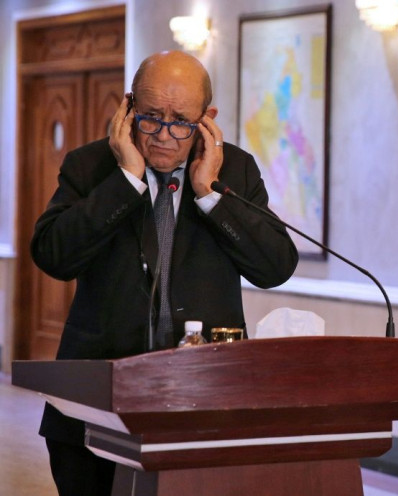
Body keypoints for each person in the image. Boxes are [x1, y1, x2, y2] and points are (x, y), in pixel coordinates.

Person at [30, 50, 299, 496]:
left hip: (204, 407)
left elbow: (275, 267)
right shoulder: (90, 166)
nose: (163, 136)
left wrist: (210, 195)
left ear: (206, 119)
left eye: (180, 122)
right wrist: (126, 181)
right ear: (128, 109)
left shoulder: (234, 169)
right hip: (95, 410)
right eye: (151, 117)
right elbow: (53, 255)